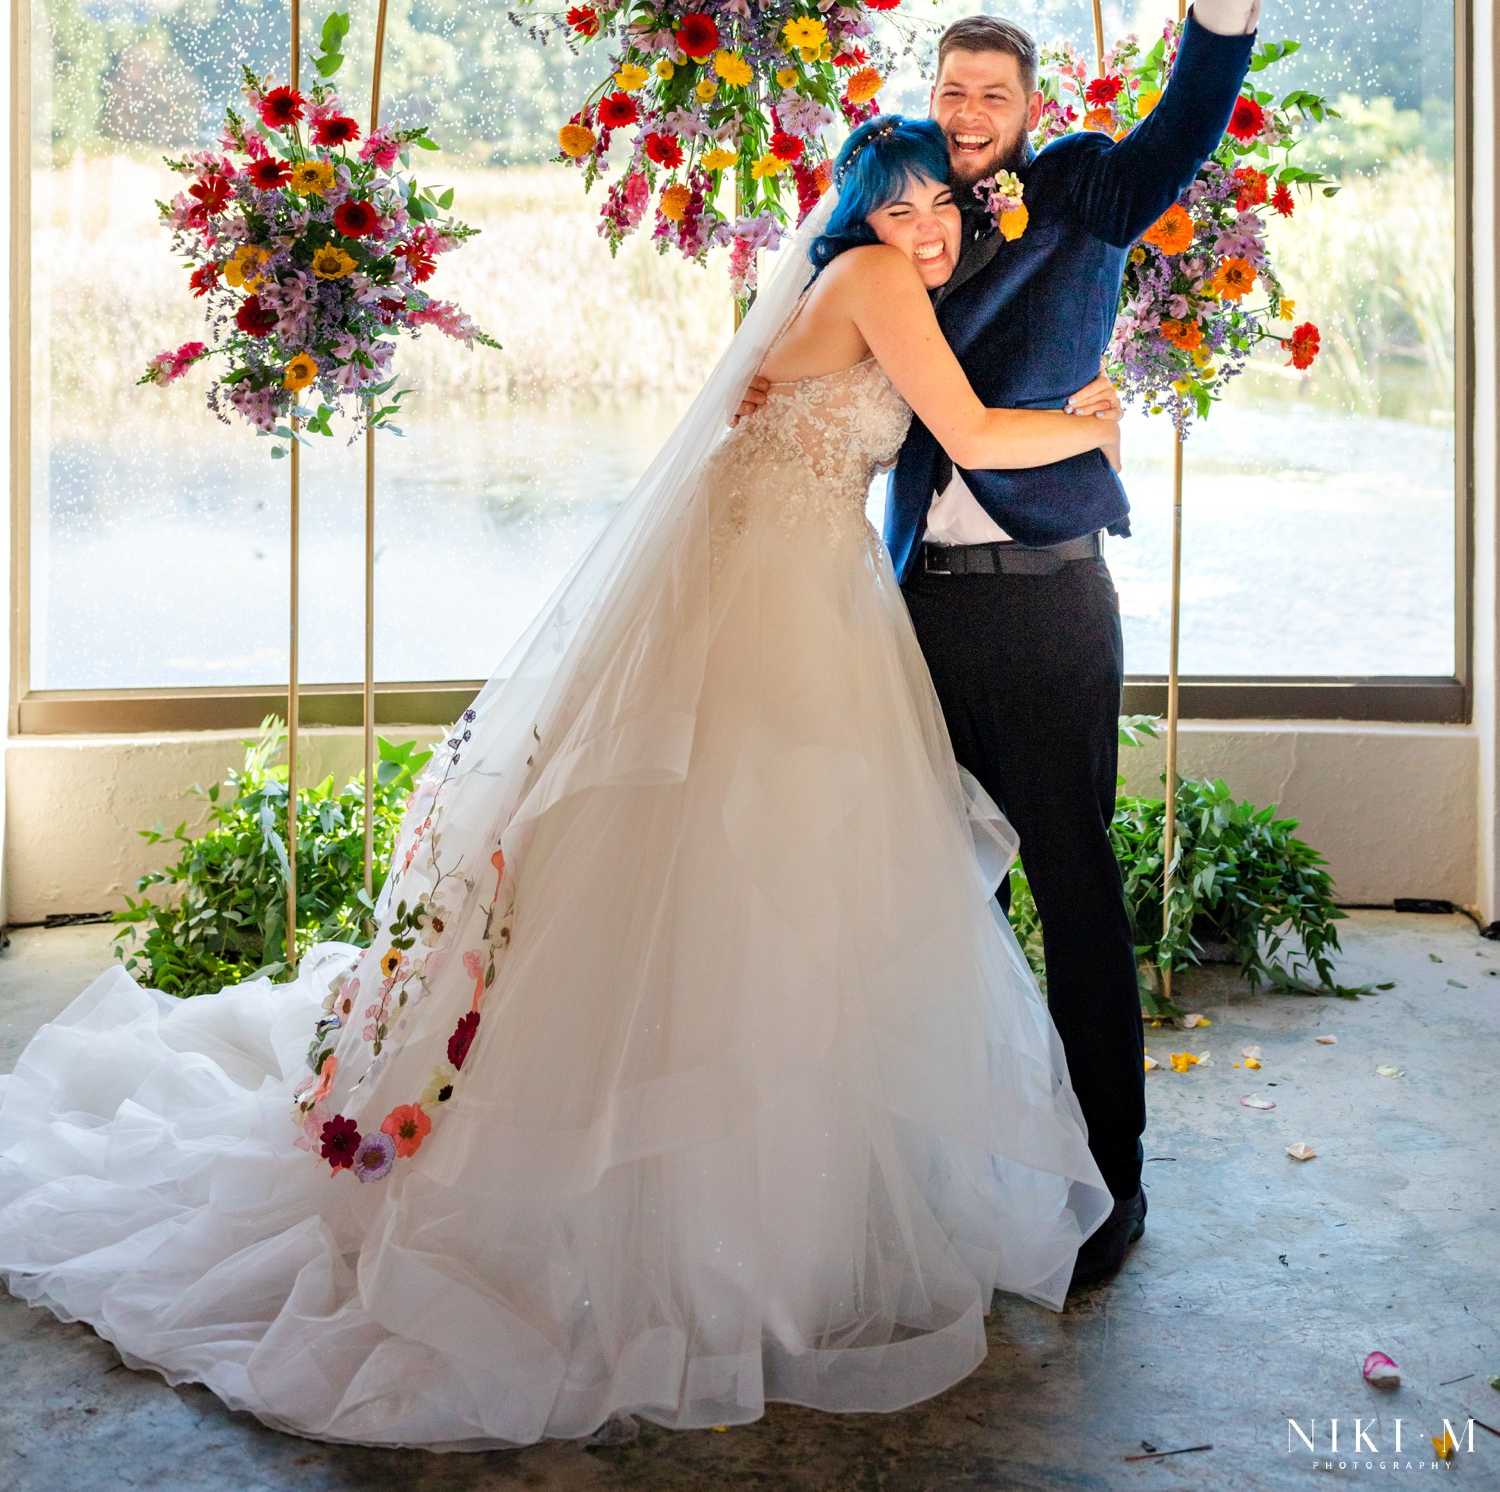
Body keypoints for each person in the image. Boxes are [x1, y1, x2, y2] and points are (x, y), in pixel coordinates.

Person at [0, 118, 1125, 1450]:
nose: (930, 228)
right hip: (783, 605)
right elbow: (979, 435)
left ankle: (764, 1210)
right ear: (863, 217)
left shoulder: (851, 283)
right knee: (768, 874)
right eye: (905, 207)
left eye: (945, 204)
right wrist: (1089, 415)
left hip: (784, 581)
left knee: (746, 878)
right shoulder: (875, 285)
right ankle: (737, 1229)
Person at [741, 0, 1261, 1290]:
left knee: (1073, 884)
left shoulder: (1083, 188)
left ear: (1029, 107)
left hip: (1044, 599)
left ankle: (1114, 1179)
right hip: (907, 605)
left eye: (992, 90)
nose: (968, 108)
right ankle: (941, 1173)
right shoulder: (898, 221)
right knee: (920, 891)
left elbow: (1180, 137)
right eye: (951, 86)